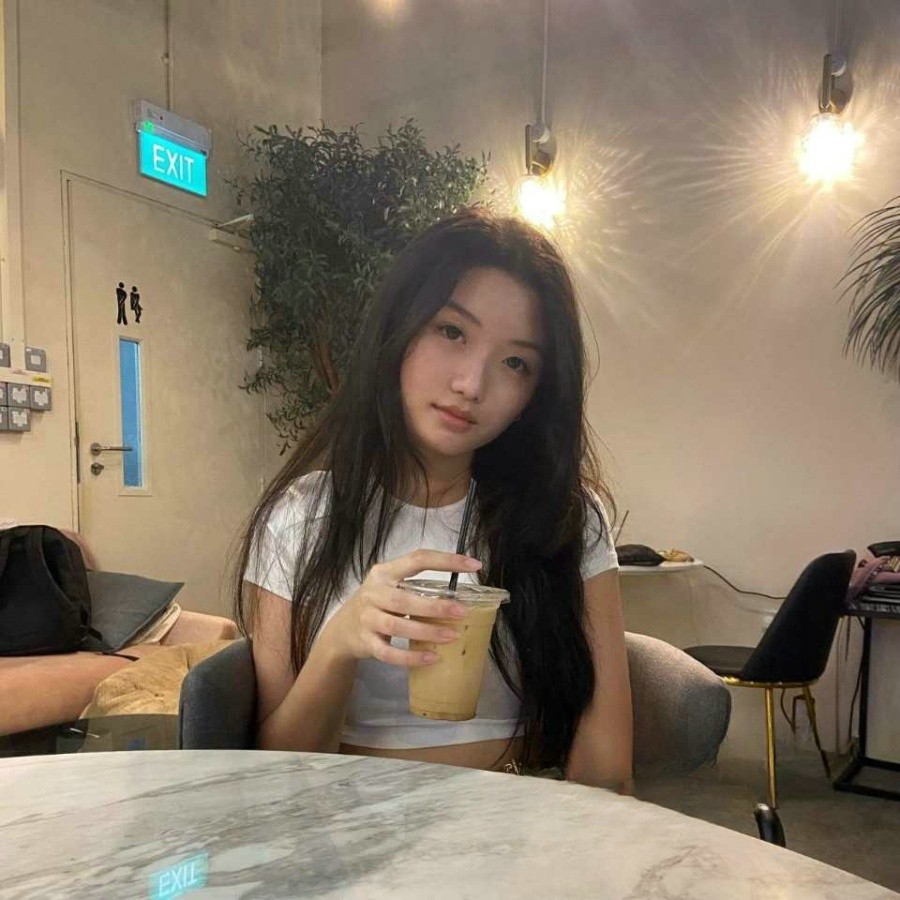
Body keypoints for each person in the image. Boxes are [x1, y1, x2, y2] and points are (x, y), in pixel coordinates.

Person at [236, 207, 633, 790]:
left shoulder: (565, 519)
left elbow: (606, 769)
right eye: (451, 332)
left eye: (515, 363)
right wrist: (340, 642)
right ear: (400, 327)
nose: (471, 384)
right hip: (345, 820)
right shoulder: (300, 518)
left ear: (536, 393)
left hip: (521, 818)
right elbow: (276, 775)